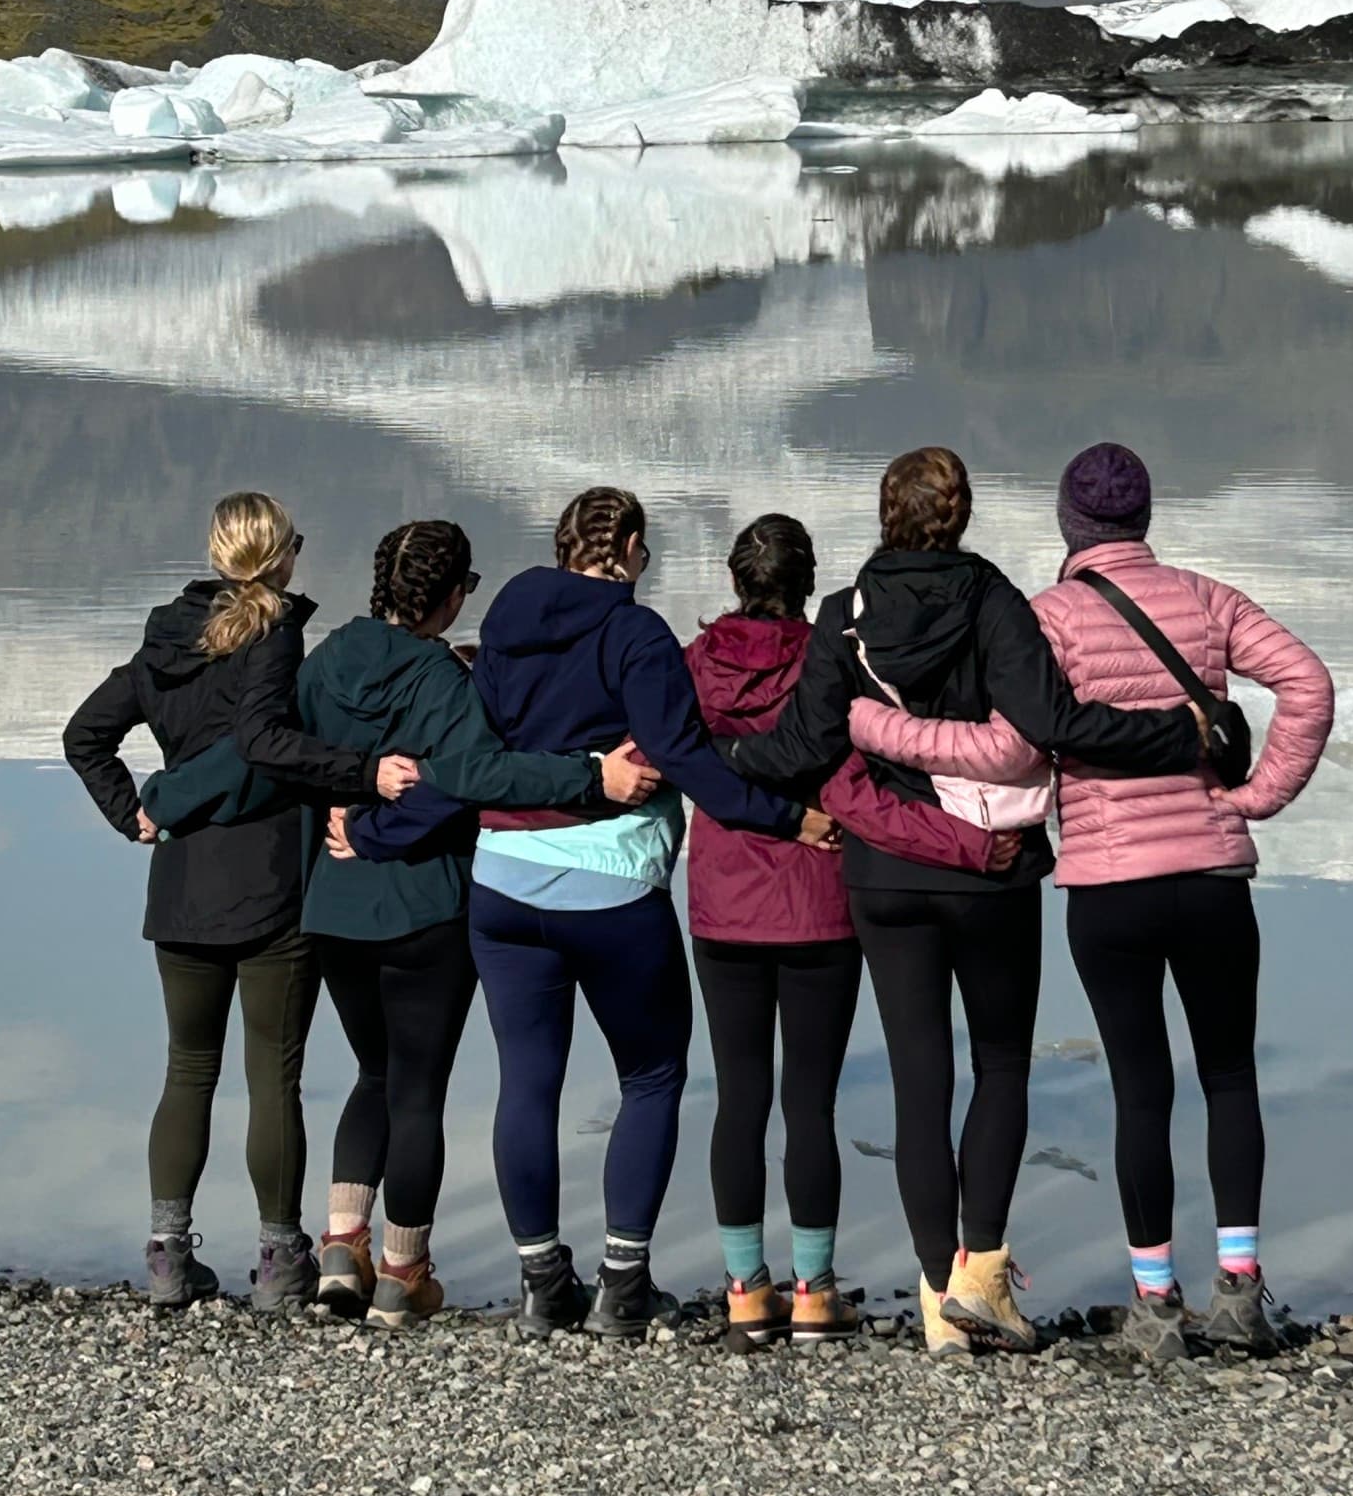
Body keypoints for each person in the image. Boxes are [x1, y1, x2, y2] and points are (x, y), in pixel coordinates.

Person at [718, 446, 1216, 1363]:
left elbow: (797, 744)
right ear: (964, 513)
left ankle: (938, 1294)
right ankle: (984, 1270)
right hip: (993, 874)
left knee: (919, 1083)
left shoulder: (846, 613)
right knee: (999, 1066)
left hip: (883, 876)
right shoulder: (995, 599)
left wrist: (709, 760)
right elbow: (1056, 726)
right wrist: (1176, 734)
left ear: (886, 513)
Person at [853, 443, 1332, 1361]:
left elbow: (1016, 746)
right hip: (1213, 872)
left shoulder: (1051, 618)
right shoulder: (1206, 598)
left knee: (1138, 1084)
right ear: (1143, 516)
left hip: (1110, 887)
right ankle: (1240, 1287)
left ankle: (1155, 1297)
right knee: (1229, 1075)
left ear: (1070, 524)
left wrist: (876, 726)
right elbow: (1307, 681)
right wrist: (1257, 794)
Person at [469, 486, 830, 1342]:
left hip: (501, 883)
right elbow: (683, 758)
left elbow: (478, 746)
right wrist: (788, 817)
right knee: (652, 1075)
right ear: (627, 546)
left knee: (527, 1081)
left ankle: (539, 1280)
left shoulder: (504, 624)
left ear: (562, 544)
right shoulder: (637, 635)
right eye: (645, 550)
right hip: (613, 885)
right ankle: (622, 1283)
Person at [290, 520, 656, 1329]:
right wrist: (591, 774)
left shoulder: (321, 662)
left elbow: (289, 753)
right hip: (427, 902)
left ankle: (339, 1250)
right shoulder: (444, 681)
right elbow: (482, 773)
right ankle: (402, 1271)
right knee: (417, 1090)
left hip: (334, 906)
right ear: (454, 595)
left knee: (371, 1073)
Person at [685, 512, 1010, 1348]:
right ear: (807, 580)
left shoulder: (691, 667)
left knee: (739, 1096)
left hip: (724, 905)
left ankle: (743, 1288)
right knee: (809, 1102)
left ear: (733, 580)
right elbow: (853, 779)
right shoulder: (831, 657)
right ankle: (815, 1289)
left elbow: (666, 758)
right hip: (818, 907)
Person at [63, 492, 381, 1313]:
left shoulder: (163, 639)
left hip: (179, 887)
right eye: (297, 545)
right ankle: (280, 1260)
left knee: (187, 1068)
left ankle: (168, 1255)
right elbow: (262, 744)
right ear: (275, 556)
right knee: (275, 1075)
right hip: (270, 880)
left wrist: (129, 808)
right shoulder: (272, 635)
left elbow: (84, 734)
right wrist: (359, 771)